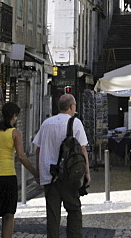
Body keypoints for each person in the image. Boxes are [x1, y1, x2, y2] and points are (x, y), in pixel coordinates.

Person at [0, 101, 38, 238]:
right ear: (14, 116)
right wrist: (35, 173)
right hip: (7, 177)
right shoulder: (15, 133)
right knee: (9, 214)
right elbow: (21, 157)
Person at [33, 93, 90, 238]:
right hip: (69, 175)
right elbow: (82, 149)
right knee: (74, 209)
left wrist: (39, 172)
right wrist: (87, 173)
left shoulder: (46, 123)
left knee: (52, 214)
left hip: (49, 175)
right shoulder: (75, 123)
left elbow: (38, 149)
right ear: (71, 107)